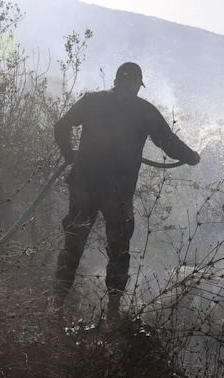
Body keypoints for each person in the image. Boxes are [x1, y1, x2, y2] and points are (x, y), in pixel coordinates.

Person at [53, 62, 200, 322]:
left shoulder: (92, 101)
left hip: (84, 186)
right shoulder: (144, 110)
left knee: (72, 245)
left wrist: (70, 153)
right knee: (119, 251)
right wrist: (191, 156)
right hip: (117, 194)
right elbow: (168, 142)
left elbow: (61, 125)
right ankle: (112, 314)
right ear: (136, 84)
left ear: (116, 80)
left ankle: (54, 310)